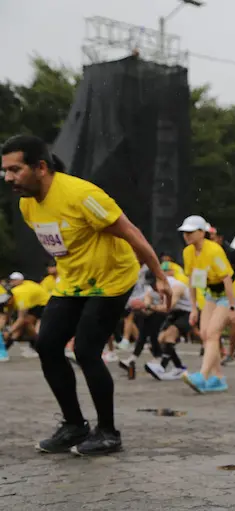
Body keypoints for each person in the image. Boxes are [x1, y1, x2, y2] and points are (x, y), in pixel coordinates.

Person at [2, 134, 169, 456]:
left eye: (15, 170)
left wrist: (159, 276)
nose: (8, 178)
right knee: (48, 345)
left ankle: (108, 432)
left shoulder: (82, 195)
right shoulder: (27, 205)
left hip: (112, 279)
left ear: (40, 167)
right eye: (5, 171)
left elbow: (131, 232)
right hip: (73, 281)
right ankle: (74, 425)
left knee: (86, 350)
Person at [179, 215, 235, 393]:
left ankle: (202, 376)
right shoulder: (187, 252)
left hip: (227, 295)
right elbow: (192, 281)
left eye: (191, 232)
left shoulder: (214, 250)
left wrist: (233, 308)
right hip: (210, 294)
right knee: (205, 334)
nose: (187, 236)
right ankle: (218, 378)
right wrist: (194, 308)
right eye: (184, 232)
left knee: (212, 333)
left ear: (202, 232)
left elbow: (227, 279)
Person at [144, 261, 192, 380]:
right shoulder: (156, 287)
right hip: (174, 313)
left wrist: (149, 306)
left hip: (187, 313)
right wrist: (145, 304)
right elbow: (147, 300)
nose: (154, 288)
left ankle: (170, 367)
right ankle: (172, 367)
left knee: (169, 336)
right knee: (159, 340)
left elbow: (167, 307)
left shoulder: (176, 286)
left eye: (154, 284)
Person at [209, 226, 235, 364]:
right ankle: (220, 350)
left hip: (234, 290)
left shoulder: (232, 253)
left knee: (233, 322)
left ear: (220, 239)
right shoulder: (207, 251)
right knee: (212, 324)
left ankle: (231, 352)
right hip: (213, 292)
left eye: (212, 238)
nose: (210, 241)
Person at [4, 271, 49, 357]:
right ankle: (6, 347)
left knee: (26, 323)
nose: (12, 282)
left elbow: (21, 319)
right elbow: (7, 313)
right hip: (33, 302)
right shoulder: (13, 292)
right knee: (23, 325)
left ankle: (38, 344)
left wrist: (8, 332)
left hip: (43, 304)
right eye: (11, 280)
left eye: (14, 280)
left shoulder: (21, 295)